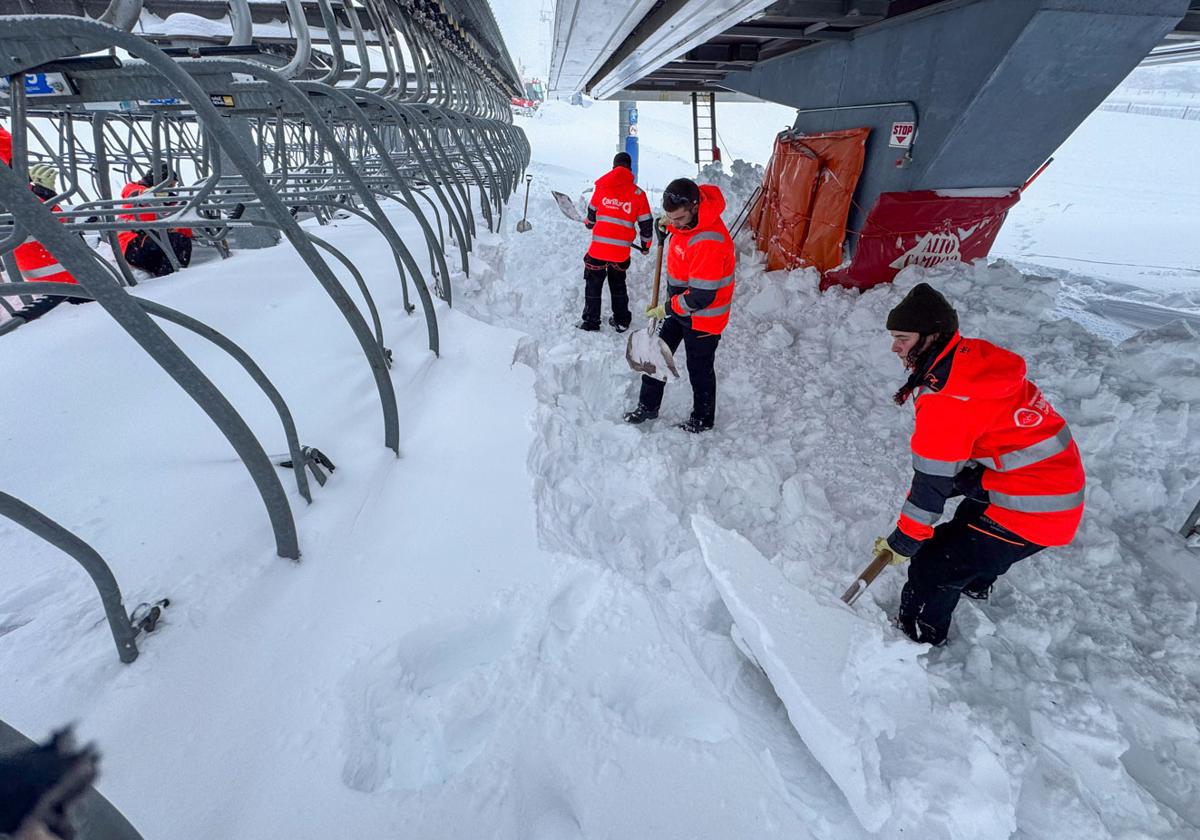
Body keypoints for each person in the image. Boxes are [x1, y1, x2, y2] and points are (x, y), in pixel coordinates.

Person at [877, 283, 1086, 646]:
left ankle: (917, 637)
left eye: (903, 338)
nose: (895, 347)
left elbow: (931, 482)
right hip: (1046, 482)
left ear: (932, 336)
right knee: (967, 524)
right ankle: (977, 579)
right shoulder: (971, 361)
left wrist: (906, 538)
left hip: (1038, 507)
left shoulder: (948, 399)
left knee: (934, 564)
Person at [623, 177, 735, 433]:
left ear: (695, 208)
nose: (673, 223)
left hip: (705, 317)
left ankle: (703, 419)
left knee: (699, 369)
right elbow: (683, 231)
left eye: (679, 219)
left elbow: (701, 296)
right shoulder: (686, 224)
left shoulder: (709, 241)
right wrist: (670, 228)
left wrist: (667, 308)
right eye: (669, 218)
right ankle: (648, 407)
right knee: (655, 354)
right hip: (679, 308)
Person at [578, 151, 652, 332]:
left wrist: (590, 224)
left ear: (614, 167)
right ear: (630, 169)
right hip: (620, 253)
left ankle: (591, 322)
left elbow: (592, 214)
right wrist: (645, 245)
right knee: (618, 284)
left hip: (598, 250)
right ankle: (621, 321)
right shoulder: (638, 194)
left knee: (593, 284)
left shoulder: (602, 187)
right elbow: (646, 223)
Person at [8, 163, 91, 324]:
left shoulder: (21, 194)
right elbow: (54, 225)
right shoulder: (15, 197)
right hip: (65, 283)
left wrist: (46, 198)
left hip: (61, 281)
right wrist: (48, 199)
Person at [118, 167, 193, 277]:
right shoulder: (134, 189)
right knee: (179, 241)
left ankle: (168, 280)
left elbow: (183, 227)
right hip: (133, 243)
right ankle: (174, 279)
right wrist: (167, 196)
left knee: (179, 242)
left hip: (148, 245)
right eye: (169, 186)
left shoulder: (166, 204)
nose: (170, 190)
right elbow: (137, 193)